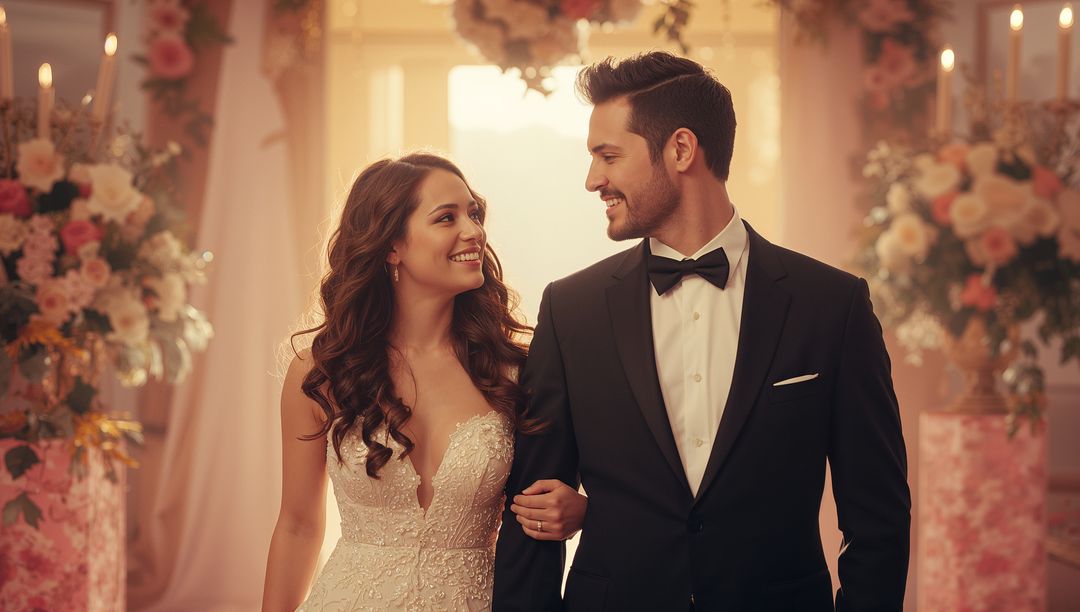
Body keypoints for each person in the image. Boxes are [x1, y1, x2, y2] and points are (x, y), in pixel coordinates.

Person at [493, 52, 911, 611]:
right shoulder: (571, 310)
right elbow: (532, 511)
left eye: (608, 156)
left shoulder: (832, 305)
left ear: (681, 150)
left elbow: (878, 517)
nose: (594, 180)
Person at [262, 153, 587, 612]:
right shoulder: (320, 371)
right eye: (446, 218)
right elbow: (298, 525)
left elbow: (573, 482)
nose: (473, 231)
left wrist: (580, 510)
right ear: (391, 246)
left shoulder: (514, 370)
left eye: (474, 213)